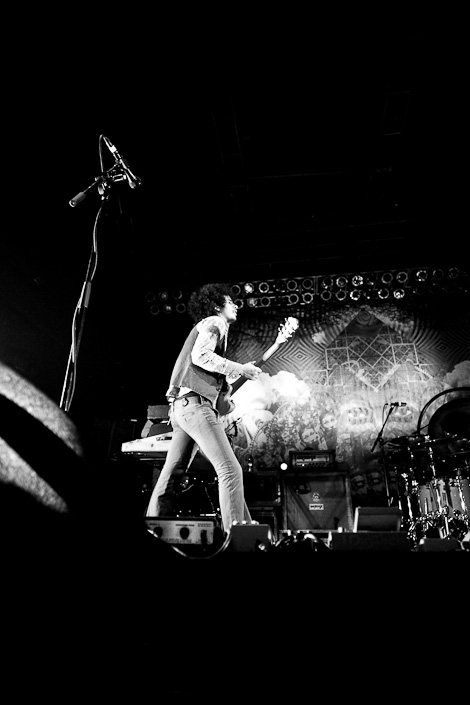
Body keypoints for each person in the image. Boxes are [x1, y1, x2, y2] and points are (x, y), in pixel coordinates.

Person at [146, 283, 262, 534]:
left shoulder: (206, 327)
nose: (236, 306)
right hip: (195, 407)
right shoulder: (215, 322)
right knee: (230, 470)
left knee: (172, 474)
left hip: (182, 409)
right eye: (230, 302)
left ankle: (153, 531)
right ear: (216, 306)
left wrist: (228, 390)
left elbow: (205, 376)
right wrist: (241, 369)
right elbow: (201, 356)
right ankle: (237, 538)